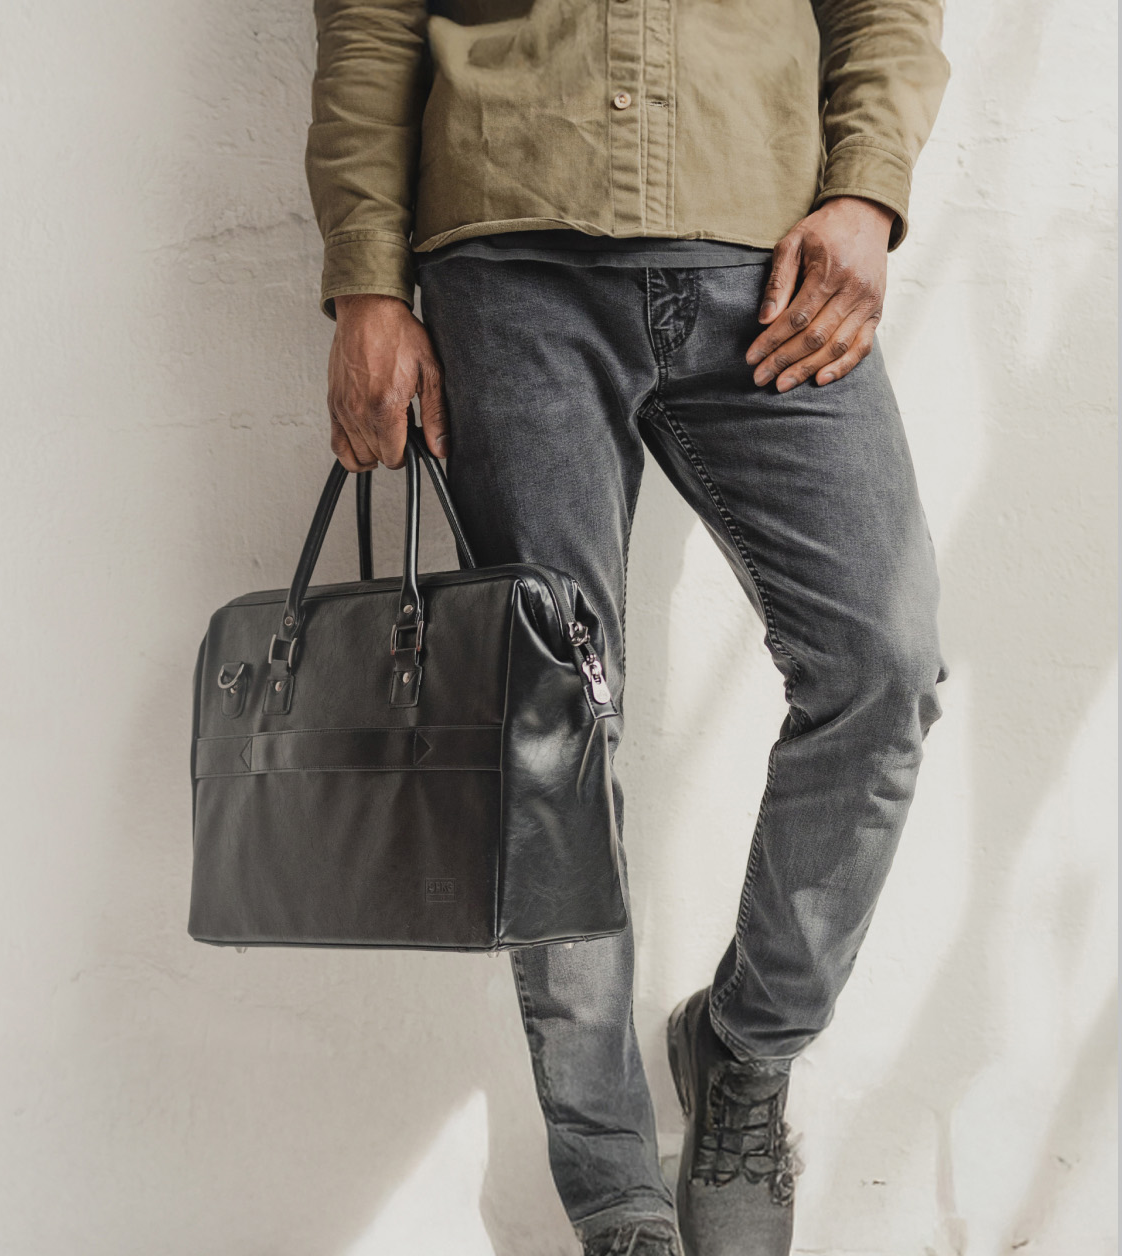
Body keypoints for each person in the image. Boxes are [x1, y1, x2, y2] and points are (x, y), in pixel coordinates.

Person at [305, 1, 950, 1252]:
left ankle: (743, 1051)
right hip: (512, 262)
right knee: (552, 729)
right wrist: (367, 282)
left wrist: (868, 193)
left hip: (773, 260)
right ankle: (615, 1198)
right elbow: (370, 18)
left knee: (883, 662)